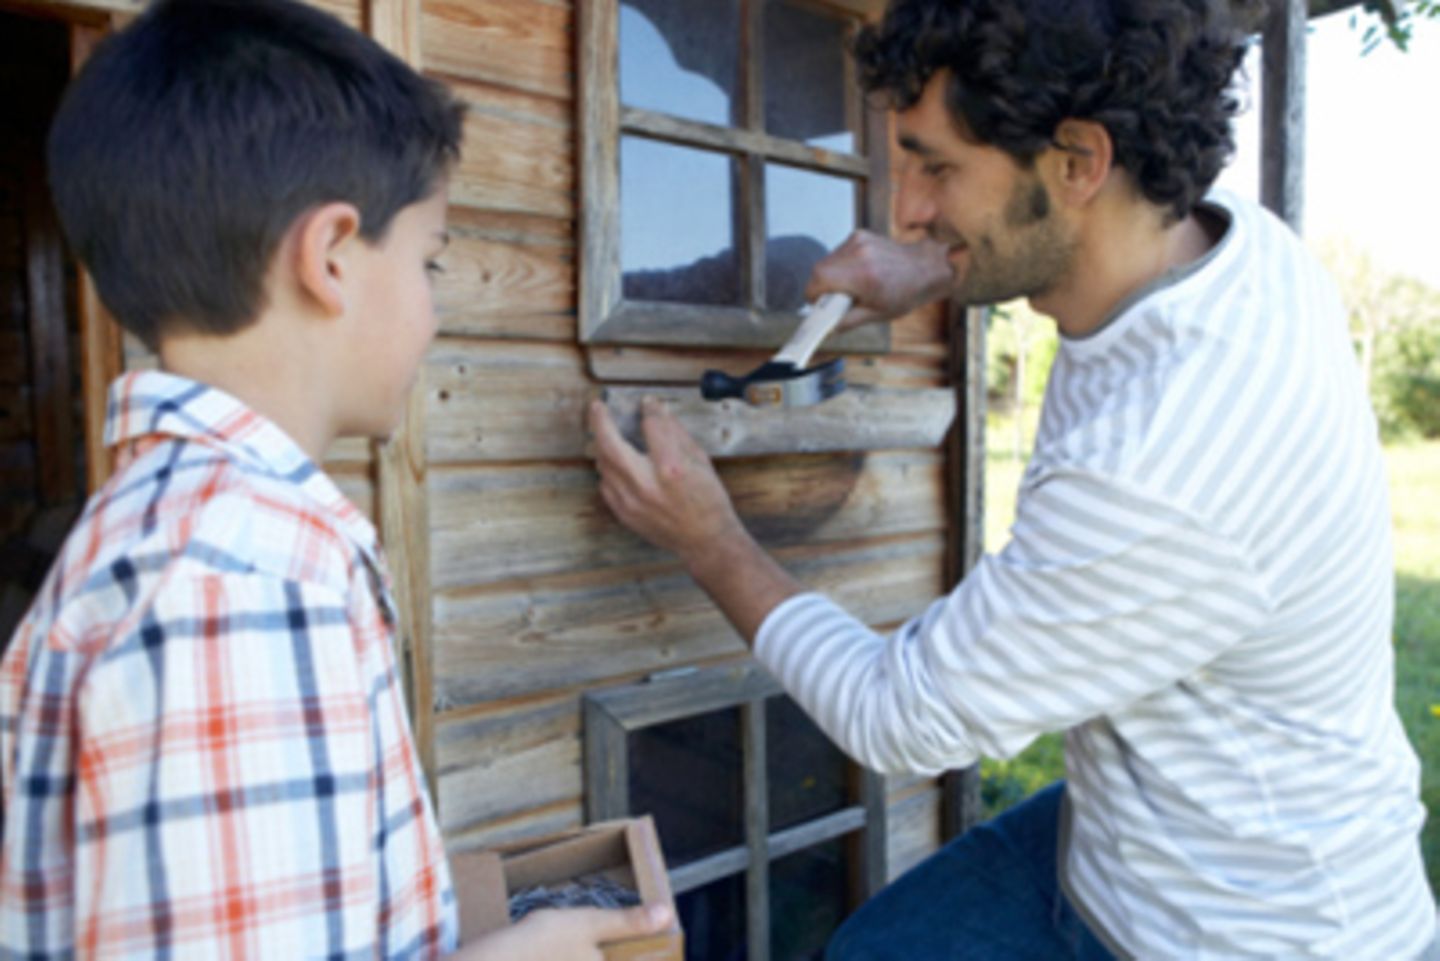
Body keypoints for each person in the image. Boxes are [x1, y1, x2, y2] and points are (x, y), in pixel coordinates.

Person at [589, 0, 1439, 958]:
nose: (903, 205)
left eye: (936, 168)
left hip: (1244, 927)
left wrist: (712, 539)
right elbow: (1063, 246)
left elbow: (894, 714)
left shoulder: (1162, 468)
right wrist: (940, 262)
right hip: (1120, 843)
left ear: (1078, 162)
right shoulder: (1235, 243)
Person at [0, 0, 670, 956]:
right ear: (328, 257)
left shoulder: (180, 537)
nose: (434, 313)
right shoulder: (242, 586)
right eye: (429, 262)